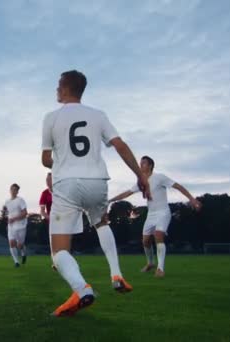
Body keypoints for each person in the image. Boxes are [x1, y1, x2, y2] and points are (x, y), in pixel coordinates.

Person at [41, 70, 151, 316]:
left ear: (67, 88)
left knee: (59, 252)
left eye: (59, 85)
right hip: (98, 182)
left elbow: (46, 159)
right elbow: (120, 145)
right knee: (101, 223)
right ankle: (116, 274)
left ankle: (82, 289)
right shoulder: (98, 115)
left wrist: (61, 161)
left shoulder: (51, 117)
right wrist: (140, 175)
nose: (56, 90)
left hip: (67, 184)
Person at [109, 156, 201, 277]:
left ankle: (160, 269)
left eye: (143, 163)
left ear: (150, 165)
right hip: (151, 214)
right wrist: (111, 199)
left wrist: (192, 199)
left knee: (158, 235)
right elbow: (127, 193)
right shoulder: (141, 181)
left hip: (163, 212)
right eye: (140, 163)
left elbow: (178, 186)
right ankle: (150, 263)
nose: (141, 165)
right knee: (145, 241)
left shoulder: (159, 177)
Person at [4, 183, 28, 267]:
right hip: (11, 226)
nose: (13, 191)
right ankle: (16, 262)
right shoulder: (7, 202)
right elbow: (10, 213)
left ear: (17, 191)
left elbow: (25, 213)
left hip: (21, 225)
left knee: (20, 245)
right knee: (11, 242)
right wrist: (9, 222)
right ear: (10, 190)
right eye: (12, 189)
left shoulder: (20, 200)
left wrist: (14, 219)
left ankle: (23, 253)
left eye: (15, 190)